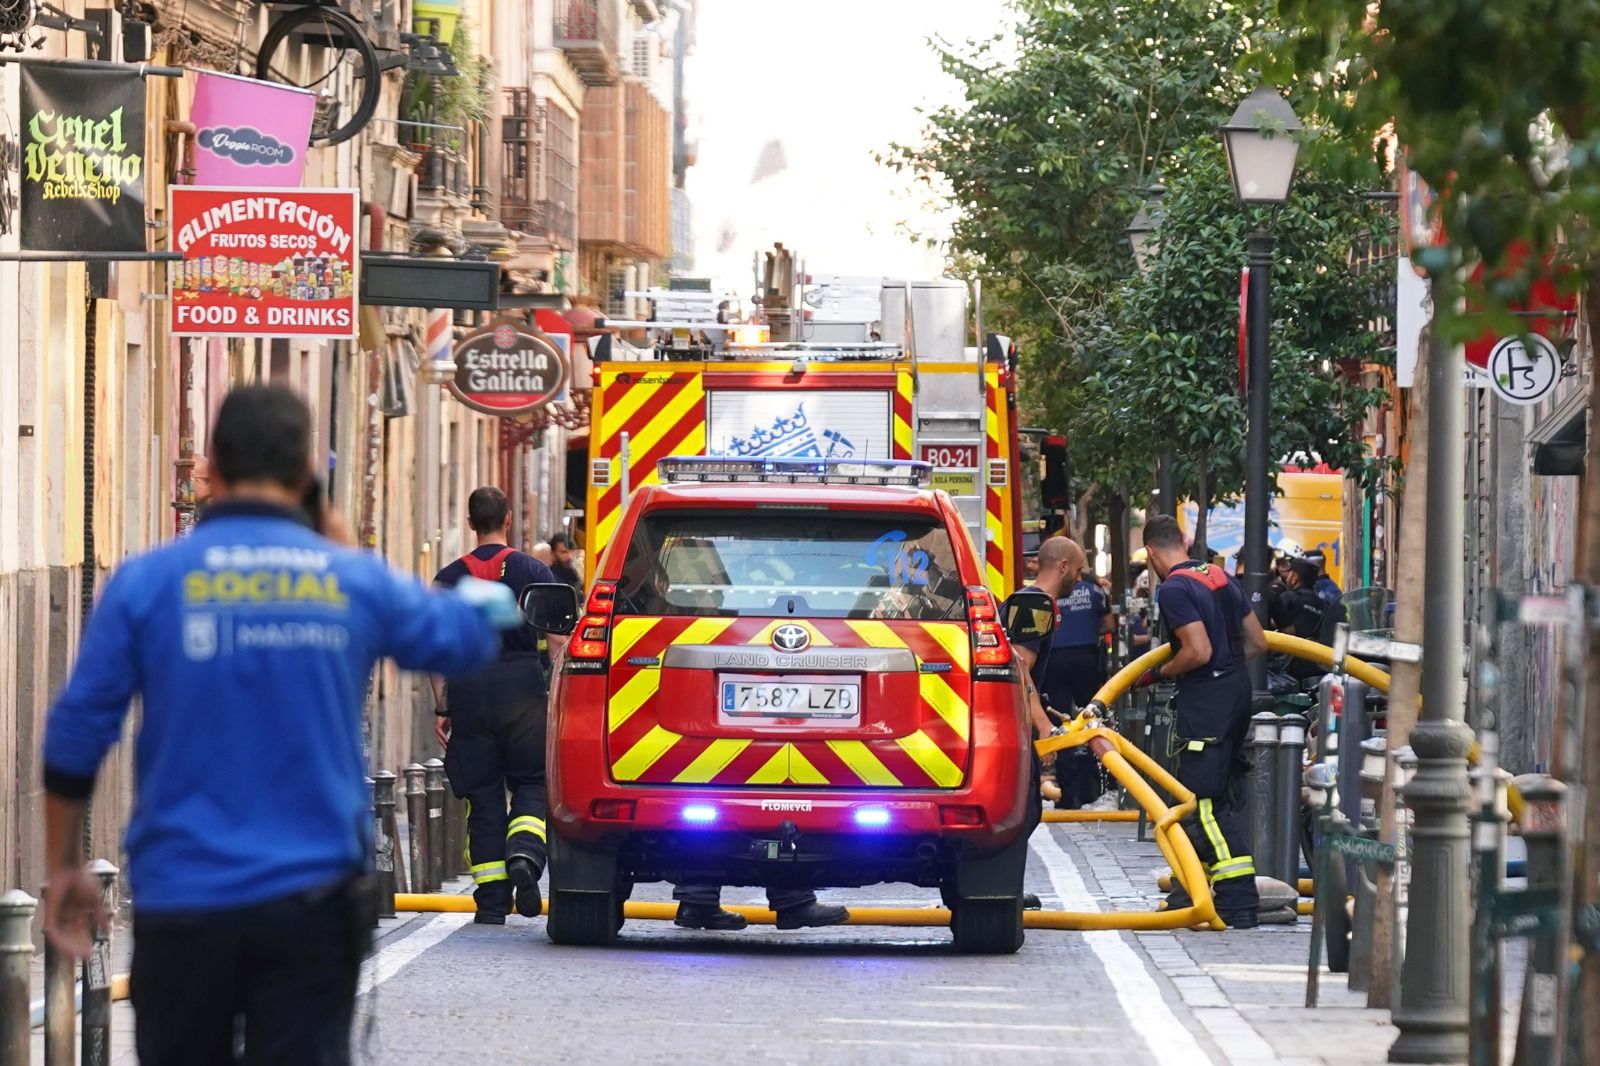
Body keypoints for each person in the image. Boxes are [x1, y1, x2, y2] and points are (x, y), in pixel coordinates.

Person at [41, 385, 514, 1065]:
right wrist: (339, 536)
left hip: (184, 898)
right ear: (305, 478)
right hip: (312, 904)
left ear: (214, 469)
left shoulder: (148, 583)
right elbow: (466, 641)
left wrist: (63, 867)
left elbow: (76, 732)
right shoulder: (352, 581)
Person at [434, 487, 567, 925]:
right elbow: (559, 642)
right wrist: (555, 697)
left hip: (470, 688)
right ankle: (525, 856)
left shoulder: (448, 579)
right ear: (508, 519)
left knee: (483, 795)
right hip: (523, 689)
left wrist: (443, 707)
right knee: (532, 781)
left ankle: (492, 902)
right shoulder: (535, 571)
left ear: (471, 523)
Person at [1134, 515, 1267, 928]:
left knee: (1200, 802)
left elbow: (1197, 650)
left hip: (1206, 704)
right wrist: (1226, 675)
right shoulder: (1219, 575)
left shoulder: (1174, 588)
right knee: (1217, 796)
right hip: (1236, 693)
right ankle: (1188, 890)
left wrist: (1159, 673)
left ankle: (1237, 898)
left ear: (1153, 553)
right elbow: (1258, 641)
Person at [1045, 568, 1114, 713]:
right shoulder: (1095, 590)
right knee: (1090, 710)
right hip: (1087, 657)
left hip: (1054, 658)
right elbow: (1109, 625)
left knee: (1057, 712)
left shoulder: (1049, 590)